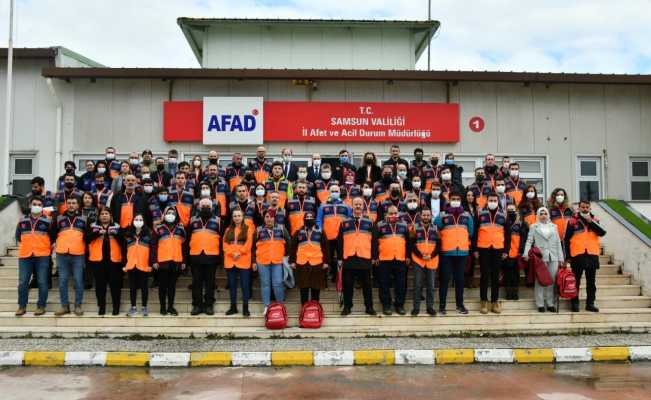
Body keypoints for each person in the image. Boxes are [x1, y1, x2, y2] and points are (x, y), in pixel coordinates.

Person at [434, 192, 473, 315]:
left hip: (461, 252)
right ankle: (442, 306)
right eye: (453, 199)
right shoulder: (442, 215)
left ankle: (459, 305)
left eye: (457, 199)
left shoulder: (467, 215)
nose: (455, 200)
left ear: (461, 200)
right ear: (449, 200)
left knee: (460, 280)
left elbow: (471, 232)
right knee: (444, 280)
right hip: (446, 252)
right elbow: (436, 228)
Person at [15, 197, 55, 316]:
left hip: (42, 255)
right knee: (23, 282)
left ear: (42, 206)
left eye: (39, 204)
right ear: (30, 205)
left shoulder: (48, 221)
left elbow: (52, 237)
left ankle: (41, 306)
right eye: (34, 204)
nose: (36, 206)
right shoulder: (22, 221)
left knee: (42, 282)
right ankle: (22, 306)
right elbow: (18, 237)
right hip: (25, 255)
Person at [565, 200, 607, 313]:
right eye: (582, 207)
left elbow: (602, 233)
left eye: (587, 207)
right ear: (578, 208)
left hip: (592, 255)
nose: (585, 209)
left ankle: (590, 303)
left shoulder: (595, 220)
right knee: (576, 281)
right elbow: (566, 240)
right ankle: (575, 303)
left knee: (591, 282)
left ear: (590, 208)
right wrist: (567, 256)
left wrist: (591, 222)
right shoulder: (572, 221)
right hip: (577, 255)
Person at [337, 197, 376, 316]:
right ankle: (347, 307)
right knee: (347, 285)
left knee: (367, 285)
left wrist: (374, 257)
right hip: (349, 257)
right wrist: (339, 258)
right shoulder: (344, 222)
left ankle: (369, 307)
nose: (358, 206)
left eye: (360, 204)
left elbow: (374, 241)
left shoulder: (370, 222)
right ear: (352, 206)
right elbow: (340, 241)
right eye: (356, 204)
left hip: (365, 257)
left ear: (363, 206)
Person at [523, 207, 564, 313]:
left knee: (552, 281)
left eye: (545, 213)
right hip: (540, 257)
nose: (543, 215)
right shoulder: (534, 226)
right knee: (540, 280)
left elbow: (558, 243)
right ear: (538, 215)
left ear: (548, 215)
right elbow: (529, 241)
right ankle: (540, 304)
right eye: (541, 213)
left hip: (553, 256)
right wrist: (526, 253)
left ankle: (550, 303)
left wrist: (561, 258)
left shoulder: (554, 226)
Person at [474, 193, 510, 314]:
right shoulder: (480, 213)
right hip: (483, 248)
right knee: (484, 275)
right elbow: (474, 233)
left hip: (498, 248)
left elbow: (508, 234)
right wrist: (474, 249)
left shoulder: (503, 214)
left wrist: (506, 250)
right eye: (491, 200)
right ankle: (483, 301)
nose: (493, 202)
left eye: (495, 200)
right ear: (487, 201)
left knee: (495, 276)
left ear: (498, 201)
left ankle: (494, 302)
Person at [187, 198, 223, 315]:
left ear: (212, 207)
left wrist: (220, 256)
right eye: (203, 206)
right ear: (199, 207)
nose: (206, 208)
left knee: (210, 282)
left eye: (208, 206)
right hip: (195, 255)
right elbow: (188, 237)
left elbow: (222, 239)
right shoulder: (192, 220)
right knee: (196, 282)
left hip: (212, 256)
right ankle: (197, 305)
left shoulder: (218, 220)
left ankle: (209, 305)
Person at [53, 196, 88, 317]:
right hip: (62, 253)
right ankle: (64, 306)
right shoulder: (59, 218)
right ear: (66, 204)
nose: (71, 205)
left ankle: (77, 306)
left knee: (78, 281)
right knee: (62, 281)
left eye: (74, 203)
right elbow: (53, 234)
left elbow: (87, 237)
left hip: (78, 254)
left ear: (78, 205)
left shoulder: (84, 219)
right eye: (69, 203)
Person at [373, 205, 410, 315]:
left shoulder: (404, 225)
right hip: (384, 259)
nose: (393, 215)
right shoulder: (379, 225)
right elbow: (374, 242)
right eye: (391, 213)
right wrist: (375, 257)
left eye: (395, 213)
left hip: (400, 258)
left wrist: (408, 256)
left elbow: (408, 242)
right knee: (384, 283)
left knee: (401, 283)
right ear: (386, 214)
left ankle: (399, 305)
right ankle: (386, 305)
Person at [87, 207, 124, 315]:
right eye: (102, 214)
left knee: (115, 286)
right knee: (100, 286)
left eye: (106, 213)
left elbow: (123, 242)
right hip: (98, 261)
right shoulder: (93, 226)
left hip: (114, 261)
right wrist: (97, 233)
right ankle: (101, 307)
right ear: (99, 216)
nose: (104, 215)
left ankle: (116, 308)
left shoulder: (117, 226)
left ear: (110, 216)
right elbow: (86, 239)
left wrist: (115, 234)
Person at [254, 209, 291, 313]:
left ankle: (280, 305)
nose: (269, 219)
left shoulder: (282, 228)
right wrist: (253, 261)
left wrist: (287, 256)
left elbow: (288, 242)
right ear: (264, 218)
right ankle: (266, 305)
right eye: (266, 217)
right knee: (265, 284)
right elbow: (253, 247)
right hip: (262, 261)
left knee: (278, 283)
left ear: (275, 218)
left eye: (271, 216)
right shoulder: (258, 230)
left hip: (277, 261)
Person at [152, 206, 186, 316]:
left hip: (176, 261)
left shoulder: (180, 229)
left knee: (172, 286)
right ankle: (162, 308)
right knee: (162, 286)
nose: (170, 214)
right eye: (168, 212)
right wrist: (154, 261)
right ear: (164, 215)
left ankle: (171, 307)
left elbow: (184, 246)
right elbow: (153, 246)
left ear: (176, 215)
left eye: (172, 213)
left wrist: (183, 261)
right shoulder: (159, 228)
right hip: (162, 261)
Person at [290, 211, 329, 305]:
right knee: (303, 288)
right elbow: (293, 247)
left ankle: (315, 309)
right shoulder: (298, 231)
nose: (309, 218)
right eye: (307, 217)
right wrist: (292, 261)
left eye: (311, 217)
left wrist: (326, 262)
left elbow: (326, 247)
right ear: (304, 219)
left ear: (314, 219)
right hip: (302, 263)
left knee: (316, 288)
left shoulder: (320, 231)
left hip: (317, 263)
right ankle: (304, 309)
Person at [223, 209, 254, 316]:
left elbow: (249, 243)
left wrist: (239, 253)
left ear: (243, 217)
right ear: (232, 218)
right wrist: (232, 254)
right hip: (230, 261)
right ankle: (233, 307)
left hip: (244, 261)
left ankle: (245, 308)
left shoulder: (248, 229)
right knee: (232, 285)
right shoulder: (228, 230)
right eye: (235, 216)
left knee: (245, 285)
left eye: (239, 215)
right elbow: (224, 245)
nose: (237, 218)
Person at [316, 185, 351, 281]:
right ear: (329, 192)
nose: (334, 192)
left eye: (336, 191)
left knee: (340, 257)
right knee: (328, 257)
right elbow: (319, 219)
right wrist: (320, 230)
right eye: (333, 191)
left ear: (340, 192)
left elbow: (350, 219)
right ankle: (327, 275)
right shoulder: (323, 205)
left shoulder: (346, 206)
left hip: (342, 237)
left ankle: (338, 277)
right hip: (327, 236)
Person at [410, 208, 440, 316]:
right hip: (418, 259)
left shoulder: (436, 228)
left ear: (431, 216)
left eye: (428, 215)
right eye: (424, 215)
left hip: (432, 260)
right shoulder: (414, 228)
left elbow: (439, 245)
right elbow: (411, 244)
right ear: (420, 216)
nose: (426, 217)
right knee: (417, 284)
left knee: (431, 285)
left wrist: (431, 255)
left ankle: (430, 307)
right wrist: (421, 255)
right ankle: (416, 308)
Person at [123, 214, 153, 317]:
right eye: (136, 219)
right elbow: (124, 251)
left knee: (144, 287)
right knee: (132, 288)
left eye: (140, 219)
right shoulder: (128, 234)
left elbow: (152, 250)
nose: (138, 221)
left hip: (144, 265)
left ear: (144, 221)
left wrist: (150, 264)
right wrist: (124, 264)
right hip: (131, 264)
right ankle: (133, 308)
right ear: (133, 221)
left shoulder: (149, 234)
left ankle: (144, 307)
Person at [503, 203, 527, 300]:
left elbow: (524, 238)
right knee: (507, 274)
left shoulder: (521, 223)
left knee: (516, 274)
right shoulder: (503, 222)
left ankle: (515, 292)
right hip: (506, 253)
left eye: (512, 210)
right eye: (509, 210)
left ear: (516, 210)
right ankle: (508, 293)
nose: (511, 212)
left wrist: (521, 250)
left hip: (517, 252)